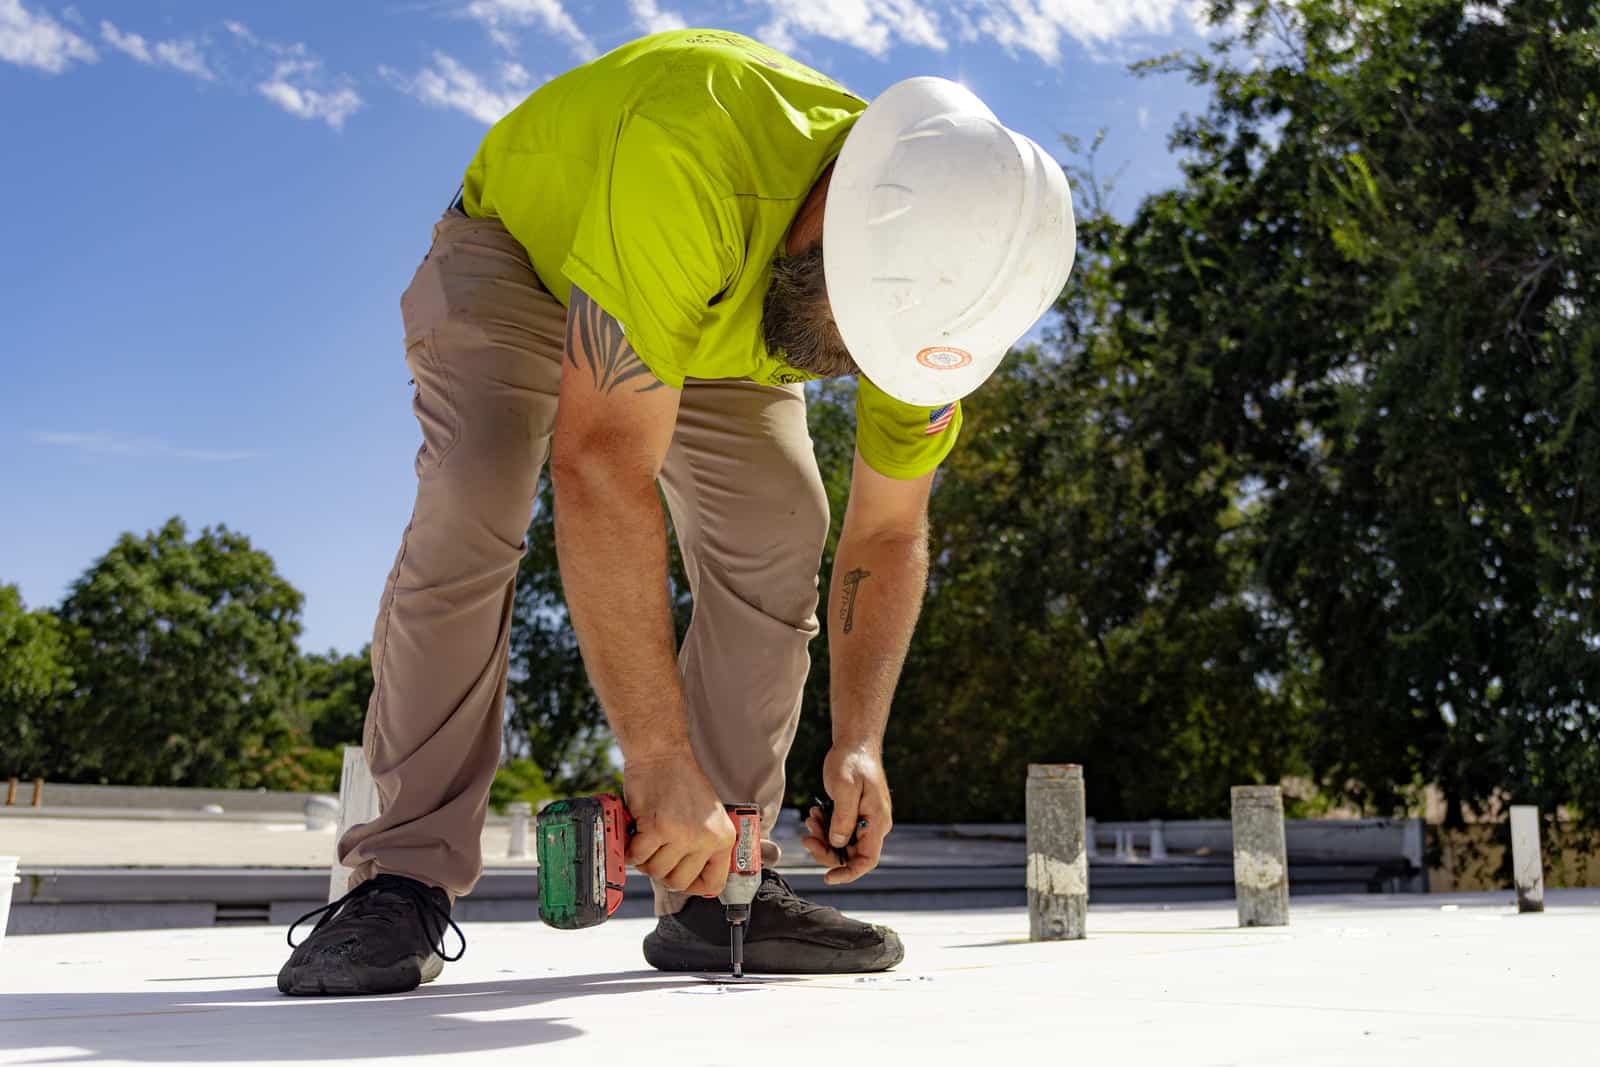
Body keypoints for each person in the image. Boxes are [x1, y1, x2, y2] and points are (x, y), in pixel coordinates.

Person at [277, 27, 1074, 997]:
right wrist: (656, 757)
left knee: (780, 521)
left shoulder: (935, 306)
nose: (845, 361)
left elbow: (889, 531)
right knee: (475, 492)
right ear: (839, 206)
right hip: (524, 255)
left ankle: (719, 885)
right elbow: (600, 465)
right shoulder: (696, 147)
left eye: (867, 348)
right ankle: (398, 876)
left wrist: (859, 737)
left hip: (717, 315)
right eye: (845, 320)